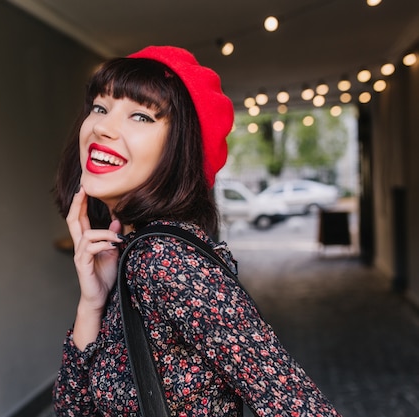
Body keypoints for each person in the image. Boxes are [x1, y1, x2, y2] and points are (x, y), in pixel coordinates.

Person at [52, 45, 340, 417]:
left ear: (179, 151)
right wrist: (92, 303)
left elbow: (297, 404)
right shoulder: (131, 254)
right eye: (100, 108)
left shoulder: (165, 259)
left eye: (140, 116)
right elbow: (71, 410)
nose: (103, 127)